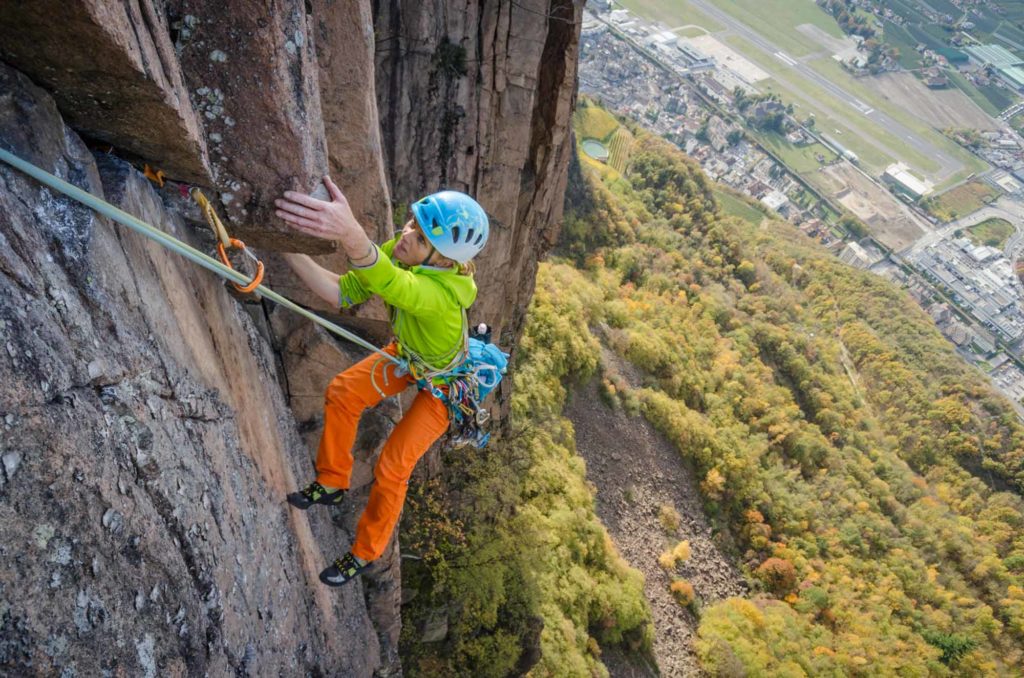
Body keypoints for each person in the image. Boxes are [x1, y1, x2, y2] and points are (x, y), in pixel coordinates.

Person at [274, 177, 489, 587]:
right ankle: (332, 481)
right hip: (410, 356)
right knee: (342, 392)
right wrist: (285, 246)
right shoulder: (406, 253)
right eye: (411, 223)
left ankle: (363, 554)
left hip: (445, 388)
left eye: (421, 237)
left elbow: (393, 284)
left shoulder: (441, 296)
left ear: (443, 260)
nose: (407, 235)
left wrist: (352, 234)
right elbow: (343, 291)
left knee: (392, 467)